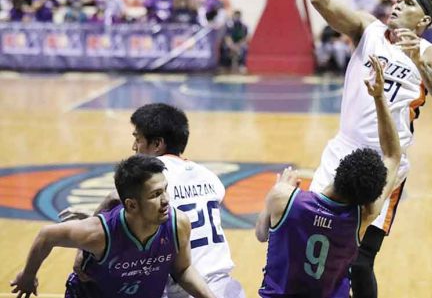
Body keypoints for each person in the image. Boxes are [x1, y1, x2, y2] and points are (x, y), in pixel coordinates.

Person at [310, 0, 432, 297]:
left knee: (359, 260)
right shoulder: (368, 29)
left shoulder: (431, 54)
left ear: (423, 21)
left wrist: (420, 62)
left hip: (386, 161)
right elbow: (320, 0)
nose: (398, 4)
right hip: (343, 150)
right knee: (314, 240)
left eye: (408, 3)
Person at [60, 104, 246, 298]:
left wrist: (84, 246)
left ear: (157, 144)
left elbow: (114, 198)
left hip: (186, 288)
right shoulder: (210, 177)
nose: (134, 147)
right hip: (225, 286)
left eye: (138, 139)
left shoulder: (152, 177)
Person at [256, 55, 400, 297]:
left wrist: (279, 188)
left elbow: (261, 234)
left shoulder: (285, 198)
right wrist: (379, 97)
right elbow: (393, 156)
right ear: (369, 197)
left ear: (339, 167)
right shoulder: (363, 216)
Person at [12, 154, 217, 298]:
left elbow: (182, 270)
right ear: (132, 205)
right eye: (155, 195)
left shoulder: (178, 223)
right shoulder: (100, 234)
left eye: (165, 190)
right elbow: (46, 235)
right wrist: (28, 276)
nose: (166, 200)